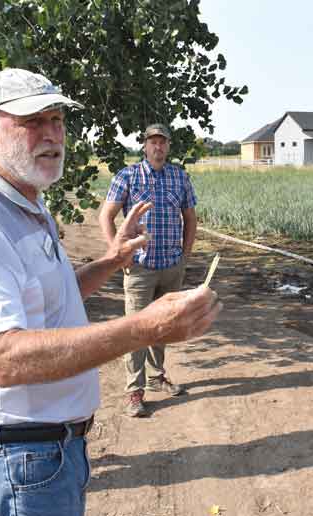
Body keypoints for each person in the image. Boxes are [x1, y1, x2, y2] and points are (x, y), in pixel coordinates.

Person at [0, 68, 221, 516]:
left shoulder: (27, 204)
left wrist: (111, 260)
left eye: (57, 120)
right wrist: (146, 327)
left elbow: (52, 295)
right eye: (32, 121)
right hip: (18, 460)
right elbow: (4, 358)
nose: (51, 134)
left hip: (51, 453)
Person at [99, 123, 198, 417]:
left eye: (162, 142)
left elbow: (190, 217)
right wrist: (119, 255)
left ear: (168, 146)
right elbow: (106, 216)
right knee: (136, 329)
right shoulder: (127, 176)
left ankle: (157, 376)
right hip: (140, 267)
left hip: (171, 266)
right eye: (153, 142)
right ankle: (135, 391)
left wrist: (185, 255)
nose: (158, 146)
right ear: (144, 146)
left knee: (164, 326)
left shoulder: (179, 176)